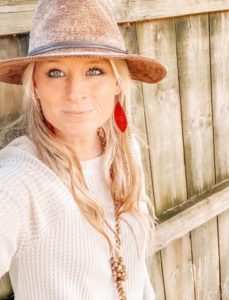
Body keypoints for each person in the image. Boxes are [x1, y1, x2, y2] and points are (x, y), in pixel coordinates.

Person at [0, 0, 167, 299]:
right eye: (55, 73)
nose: (76, 93)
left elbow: (138, 273)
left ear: (117, 81)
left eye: (94, 70)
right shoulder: (18, 181)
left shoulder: (126, 154)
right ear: (35, 85)